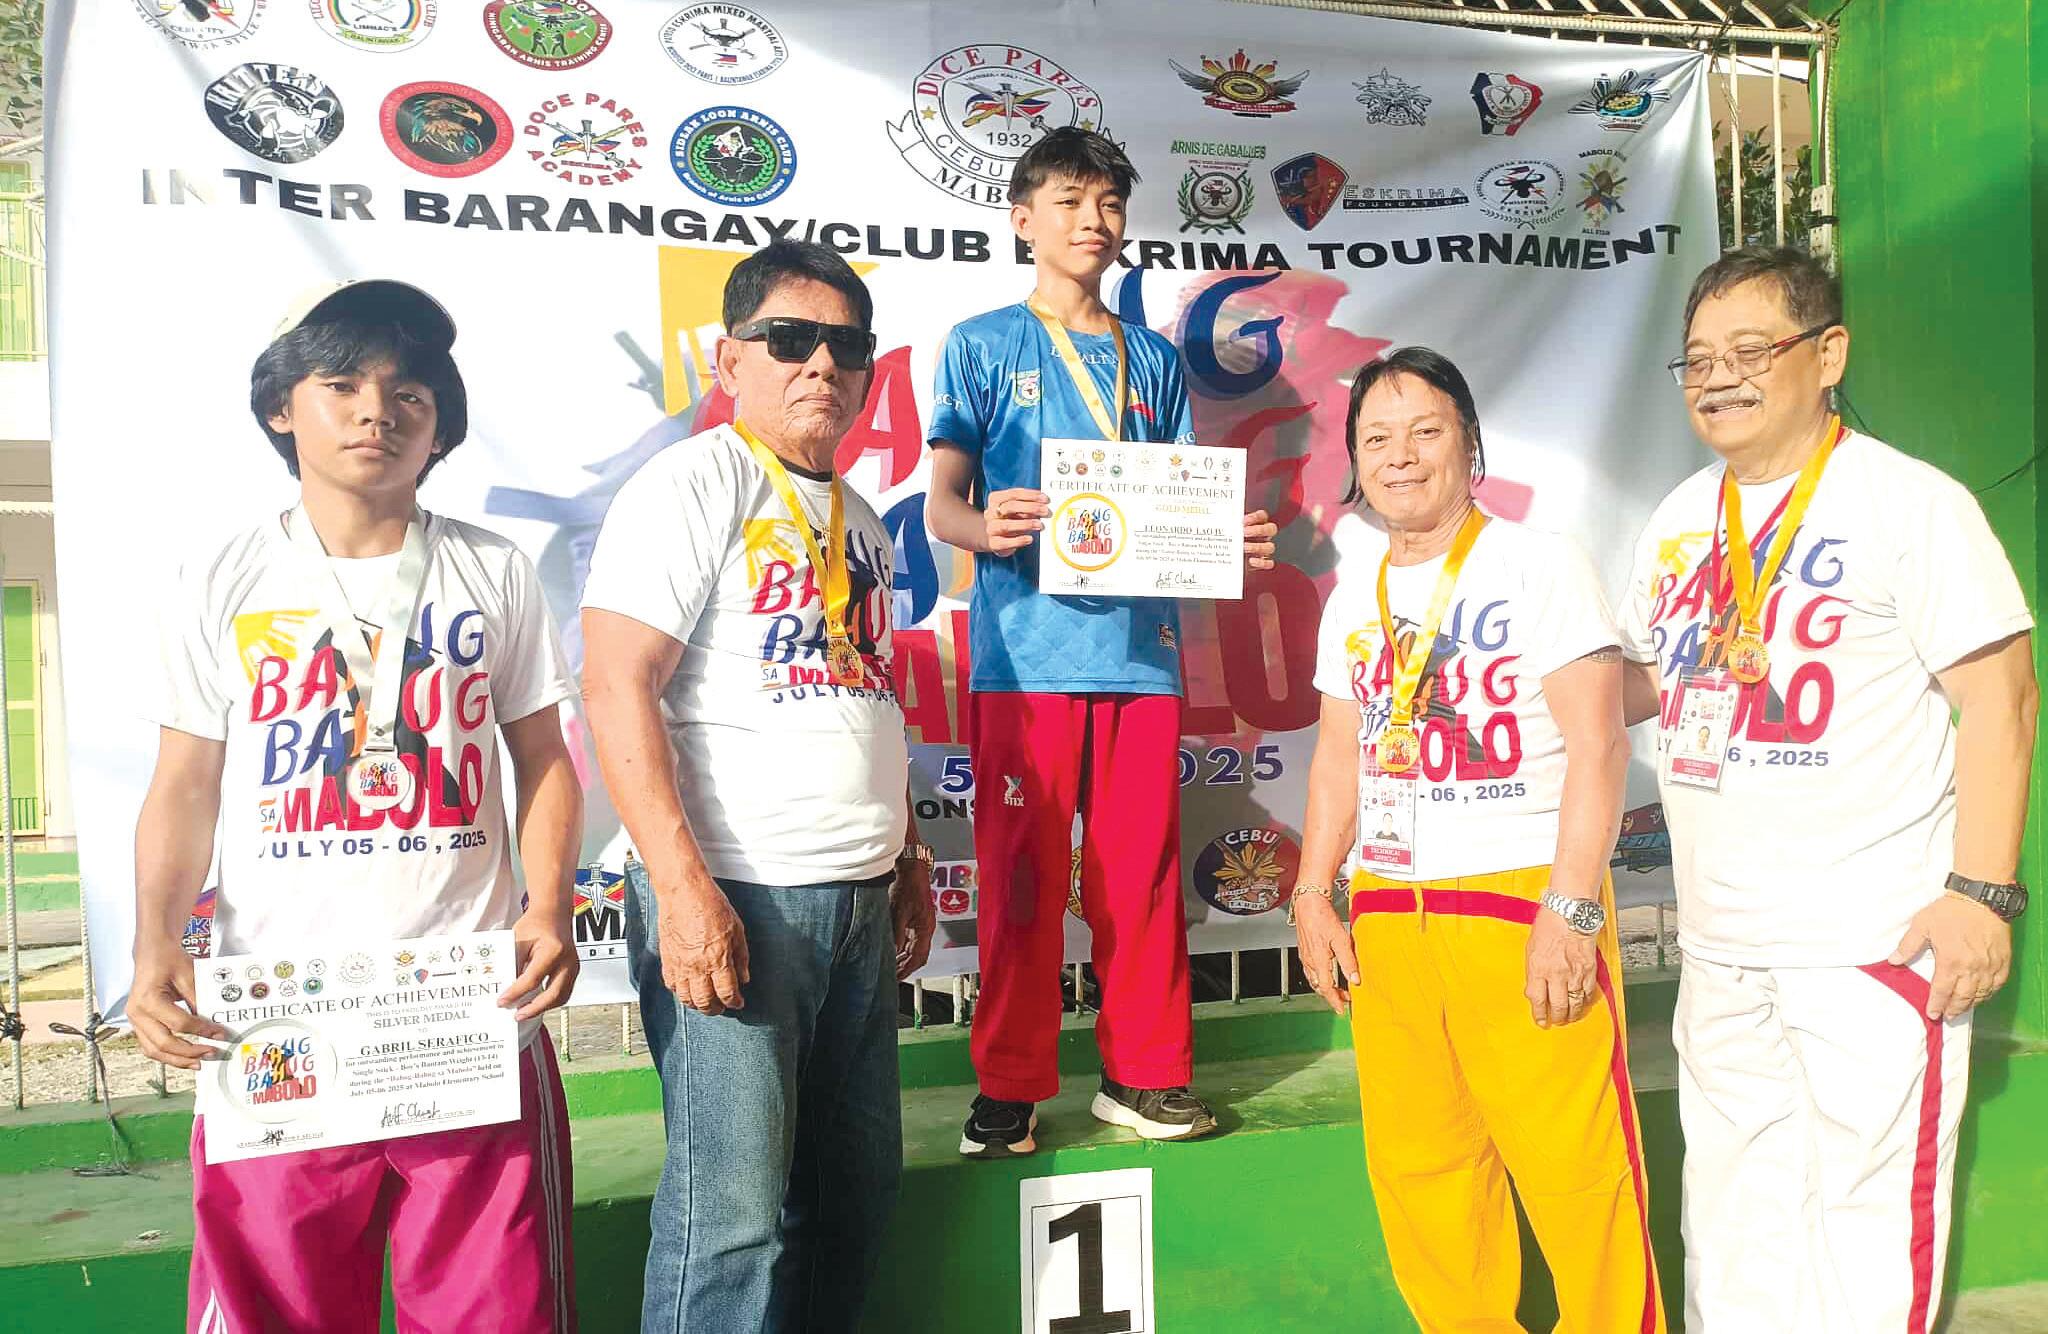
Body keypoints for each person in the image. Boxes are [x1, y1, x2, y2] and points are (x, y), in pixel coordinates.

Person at [130, 279, 584, 1333]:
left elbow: (544, 760)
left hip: (467, 1013)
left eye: (409, 393)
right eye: (341, 385)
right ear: (281, 406)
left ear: (440, 426)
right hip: (276, 1015)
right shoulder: (222, 574)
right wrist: (154, 945)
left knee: (495, 1310)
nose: (377, 410)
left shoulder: (491, 569)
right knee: (273, 1308)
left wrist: (549, 905)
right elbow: (184, 781)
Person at [1620, 247, 2036, 1333]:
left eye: (1750, 350)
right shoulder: (1677, 518)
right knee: (1731, 1212)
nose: (1719, 377)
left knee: (1865, 1221)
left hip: (1870, 940)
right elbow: (1635, 680)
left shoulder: (1910, 504)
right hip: (1721, 946)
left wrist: (1980, 894)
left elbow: (2000, 697)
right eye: (1697, 359)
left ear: (1829, 353)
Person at [580, 239, 935, 1334]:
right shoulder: (691, 483)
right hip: (739, 894)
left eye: (845, 346)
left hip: (857, 901)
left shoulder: (858, 517)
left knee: (852, 1194)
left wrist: (906, 854)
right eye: (789, 339)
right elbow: (615, 684)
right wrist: (683, 890)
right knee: (729, 1220)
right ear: (730, 359)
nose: (820, 363)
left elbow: (863, 689)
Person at [1292, 347, 1665, 1333]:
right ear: (1354, 461)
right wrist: (1312, 892)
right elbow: (1338, 757)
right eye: (1377, 437)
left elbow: (1598, 744)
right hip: (1389, 917)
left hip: (1519, 904)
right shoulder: (1353, 593)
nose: (1401, 456)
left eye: (1426, 431)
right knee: (1424, 1176)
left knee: (1578, 1173)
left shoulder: (1539, 562)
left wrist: (1570, 911)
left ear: (1469, 445)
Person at [926, 127, 1278, 1155]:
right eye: (1070, 201)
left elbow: (1178, 503)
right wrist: (980, 526)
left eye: (1109, 203)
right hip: (1022, 661)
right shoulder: (981, 343)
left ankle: (1145, 1074)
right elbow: (942, 502)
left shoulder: (1153, 358)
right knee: (1019, 881)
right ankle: (1009, 1084)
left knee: (1143, 876)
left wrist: (1226, 542)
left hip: (1138, 658)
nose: (1093, 220)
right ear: (1022, 221)